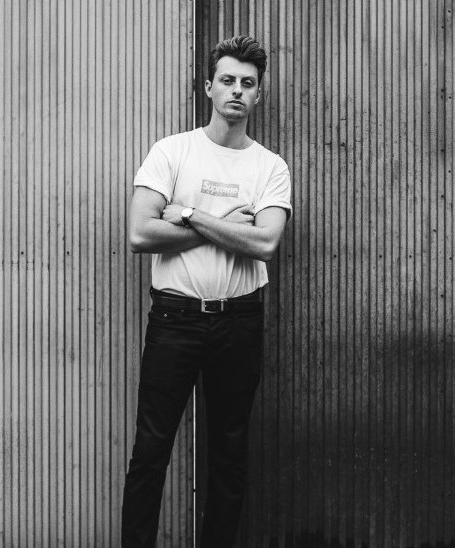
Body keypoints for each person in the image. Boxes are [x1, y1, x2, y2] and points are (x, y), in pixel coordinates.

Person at [121, 35, 293, 547]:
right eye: (228, 80)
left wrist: (191, 214)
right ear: (208, 87)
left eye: (248, 83)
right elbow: (140, 233)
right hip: (175, 320)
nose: (237, 90)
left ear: (258, 93)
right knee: (151, 450)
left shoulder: (270, 167)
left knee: (229, 453)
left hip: (239, 322)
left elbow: (265, 243)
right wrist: (225, 225)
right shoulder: (172, 151)